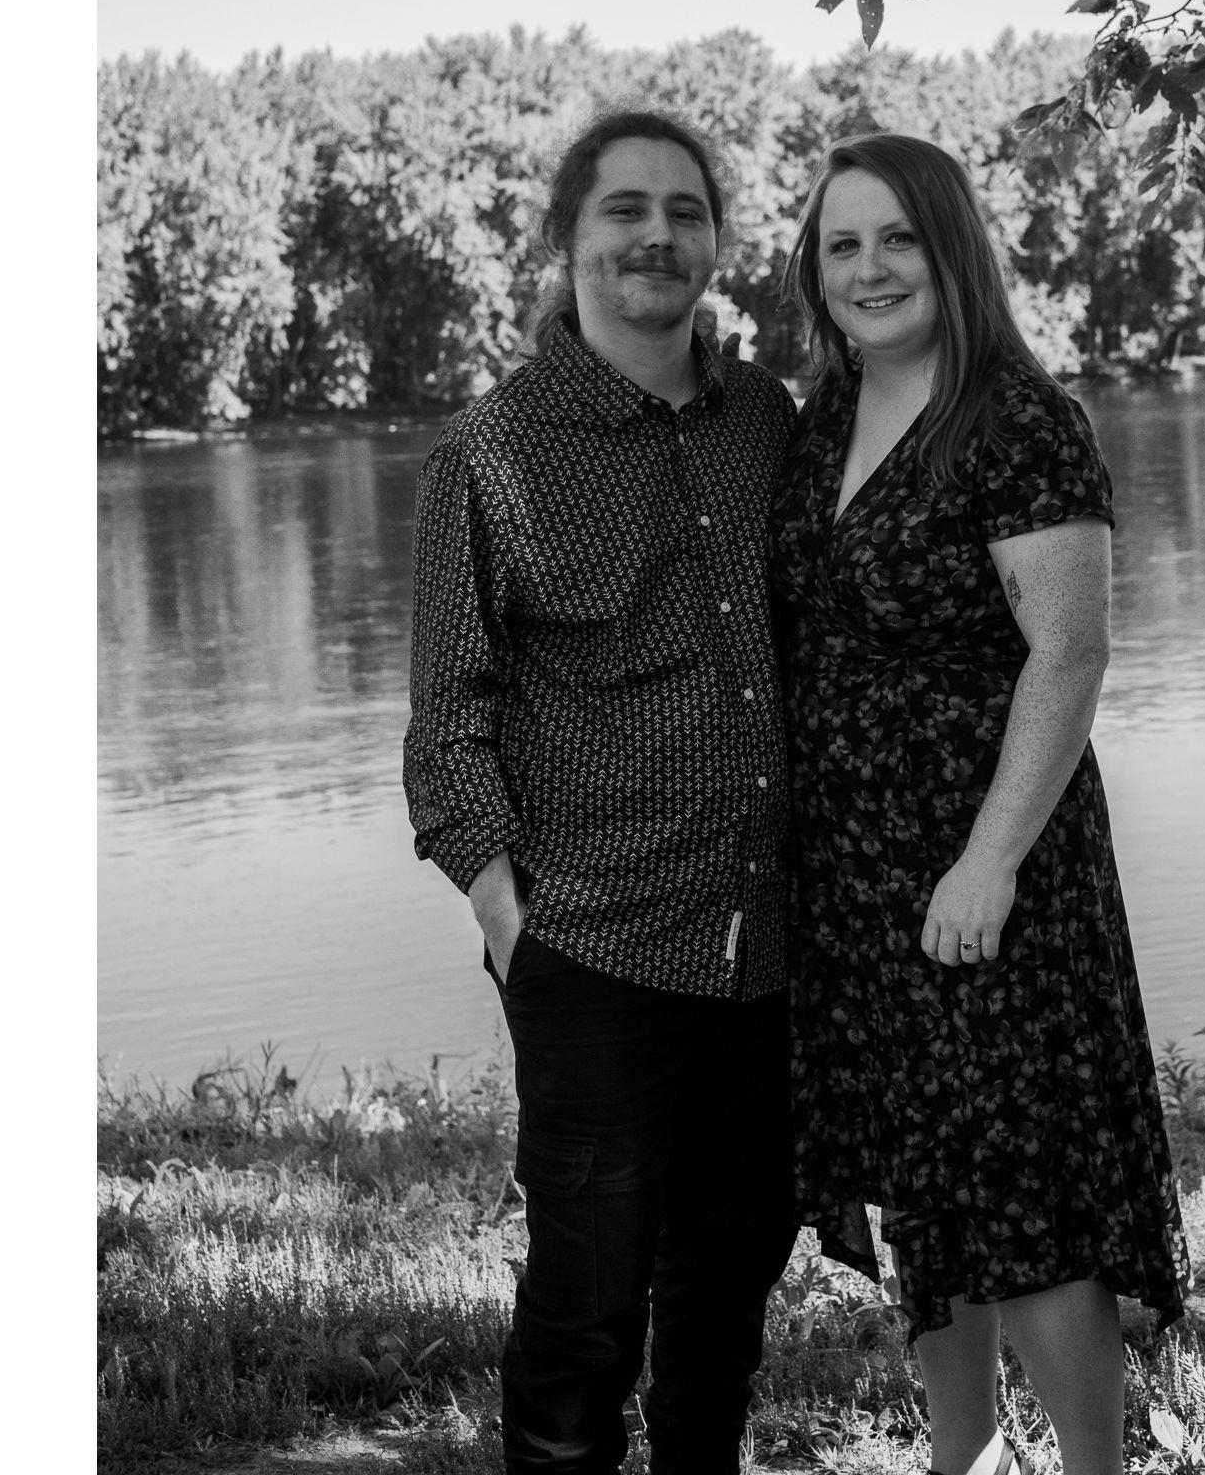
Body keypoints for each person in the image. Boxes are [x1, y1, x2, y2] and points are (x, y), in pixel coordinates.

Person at [770, 133, 1190, 1475]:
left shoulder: (1015, 419)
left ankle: (1092, 1468)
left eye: (897, 237)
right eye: (843, 243)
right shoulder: (824, 416)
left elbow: (1068, 654)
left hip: (990, 861)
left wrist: (989, 860)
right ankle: (965, 1455)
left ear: (951, 249)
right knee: (922, 1180)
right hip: (859, 868)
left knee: (1027, 1189)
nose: (869, 267)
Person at [403, 107, 799, 1475]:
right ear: (567, 238)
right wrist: (507, 915)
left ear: (716, 242)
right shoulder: (490, 454)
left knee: (728, 1293)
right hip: (596, 949)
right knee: (585, 1308)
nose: (657, 235)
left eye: (686, 211)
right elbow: (447, 719)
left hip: (765, 947)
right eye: (625, 209)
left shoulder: (765, 420)